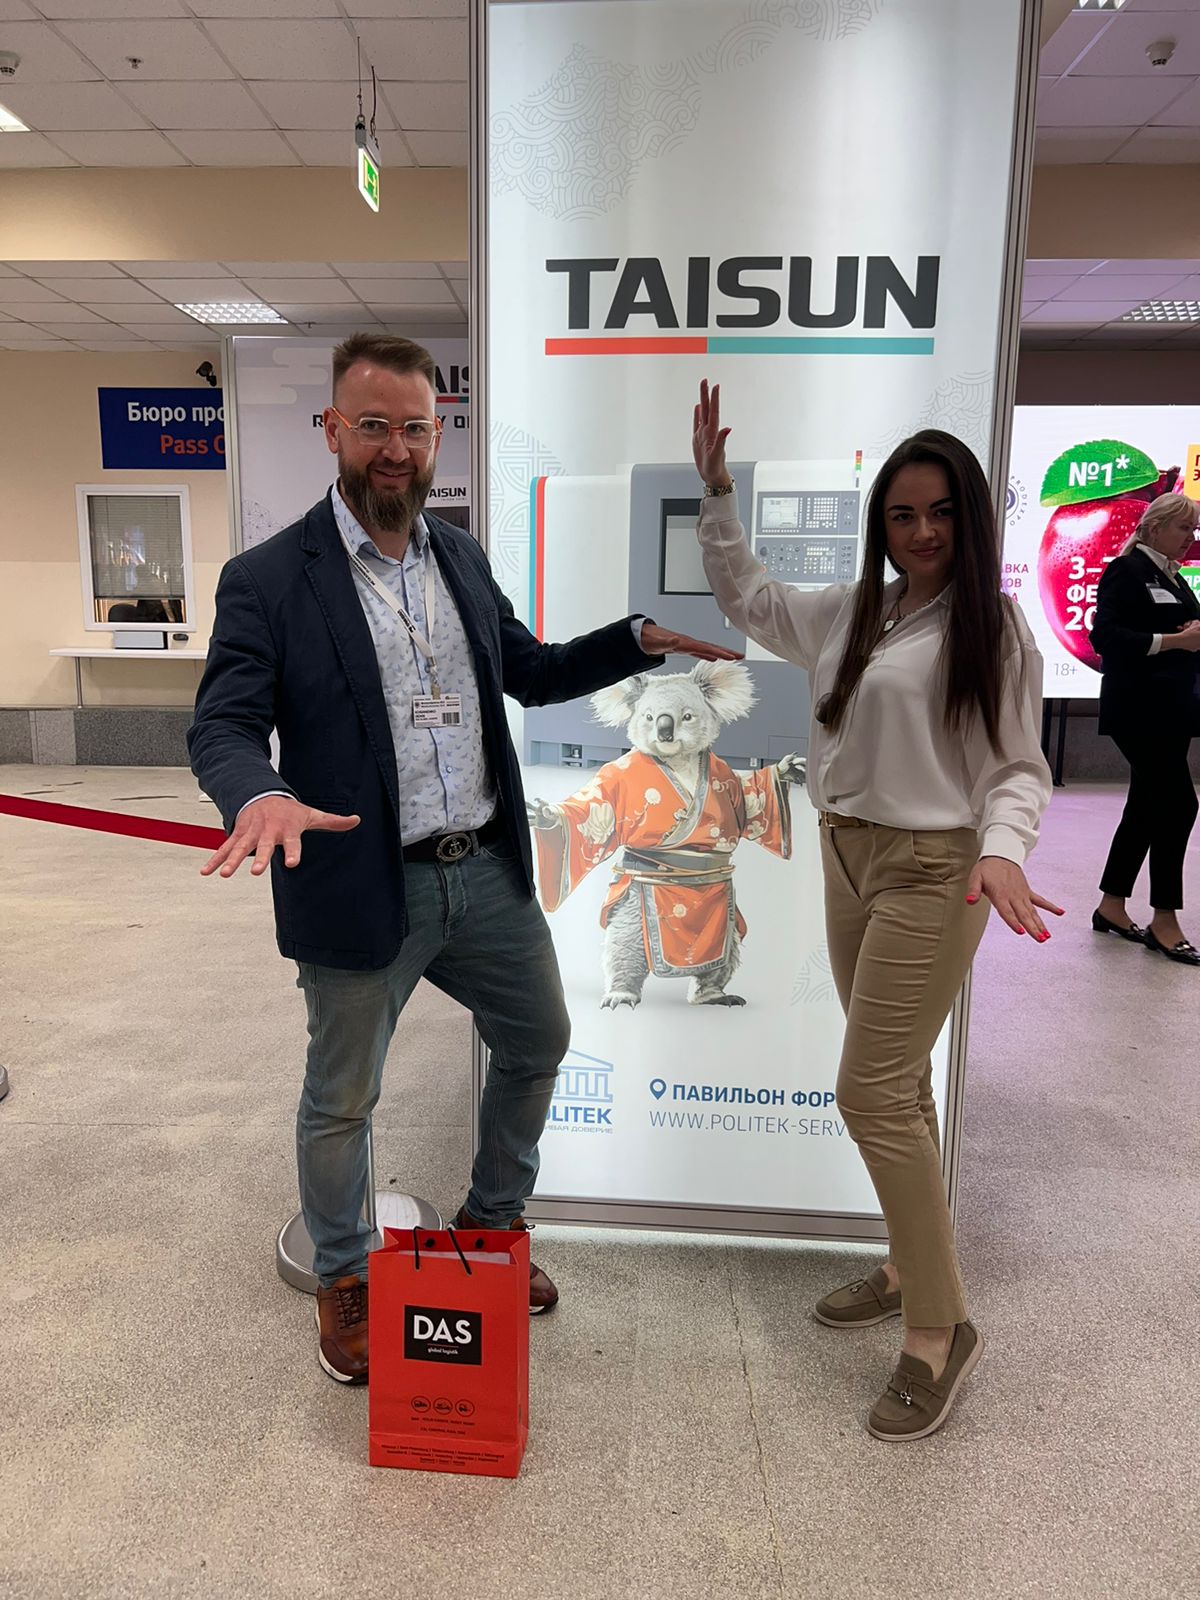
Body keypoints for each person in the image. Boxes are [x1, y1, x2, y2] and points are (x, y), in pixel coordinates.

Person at [188, 334, 739, 1387]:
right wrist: (258, 793)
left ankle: (490, 1226)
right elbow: (223, 722)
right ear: (333, 430)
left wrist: (633, 640)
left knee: (539, 1038)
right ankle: (346, 1277)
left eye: (414, 428)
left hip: (479, 868)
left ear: (438, 435)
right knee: (343, 1096)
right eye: (373, 426)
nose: (395, 449)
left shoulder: (461, 557)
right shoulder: (268, 578)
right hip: (361, 881)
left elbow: (530, 671)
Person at [690, 380, 1058, 1442]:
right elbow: (751, 599)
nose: (923, 531)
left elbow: (1017, 769)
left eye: (940, 512)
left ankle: (941, 1328)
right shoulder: (859, 609)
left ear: (969, 516)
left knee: (869, 1090)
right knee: (899, 1082)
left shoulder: (994, 629)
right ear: (881, 525)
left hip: (935, 869)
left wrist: (1002, 853)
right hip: (846, 857)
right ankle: (906, 1262)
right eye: (903, 515)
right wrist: (717, 492)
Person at [1090, 492, 1200, 965]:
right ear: (1154, 527)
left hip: (1171, 711)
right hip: (1138, 709)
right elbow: (1104, 636)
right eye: (1183, 527)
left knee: (1145, 806)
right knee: (1179, 803)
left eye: (1193, 529)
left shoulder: (1174, 578)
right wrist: (1175, 640)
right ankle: (1164, 919)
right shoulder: (1127, 570)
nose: (1190, 537)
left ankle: (1111, 905)